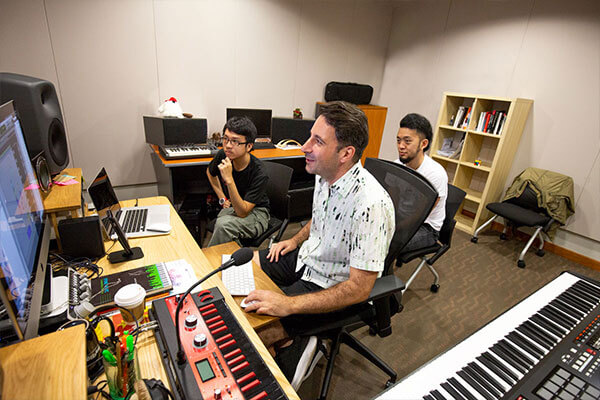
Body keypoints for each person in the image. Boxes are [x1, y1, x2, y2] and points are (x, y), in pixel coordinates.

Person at [243, 101, 395, 389]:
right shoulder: (326, 175)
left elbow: (360, 288)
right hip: (308, 257)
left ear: (345, 154)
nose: (304, 146)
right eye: (310, 136)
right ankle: (290, 340)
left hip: (330, 284)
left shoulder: (370, 205)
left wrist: (288, 305)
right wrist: (294, 239)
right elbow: (320, 217)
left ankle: (296, 345)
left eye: (317, 141)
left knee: (255, 330)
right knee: (244, 266)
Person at [206, 116, 269, 246]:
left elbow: (242, 212)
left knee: (223, 225)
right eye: (226, 139)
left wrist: (229, 179)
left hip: (257, 212)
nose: (228, 146)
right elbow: (210, 172)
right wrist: (222, 198)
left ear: (249, 146)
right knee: (222, 222)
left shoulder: (259, 172)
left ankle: (209, 263)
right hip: (236, 206)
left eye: (235, 142)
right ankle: (233, 261)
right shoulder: (224, 155)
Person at [395, 113, 448, 253]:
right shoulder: (397, 166)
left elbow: (419, 215)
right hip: (401, 218)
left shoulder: (435, 174)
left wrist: (392, 228)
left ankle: (384, 273)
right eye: (398, 140)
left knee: (386, 243)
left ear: (423, 144)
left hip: (425, 228)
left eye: (407, 141)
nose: (401, 146)